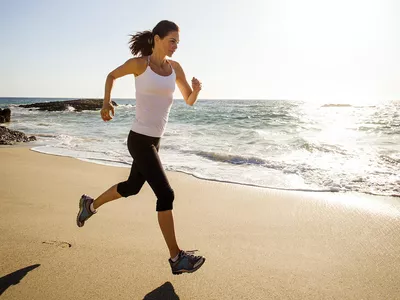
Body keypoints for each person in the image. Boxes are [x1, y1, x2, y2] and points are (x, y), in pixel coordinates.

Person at [76, 20, 205, 275]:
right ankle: (176, 258)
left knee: (132, 187)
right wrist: (106, 103)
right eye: (172, 41)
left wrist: (197, 91)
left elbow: (188, 100)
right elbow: (111, 75)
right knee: (166, 195)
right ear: (157, 39)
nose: (175, 46)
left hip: (155, 142)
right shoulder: (140, 65)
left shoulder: (175, 68)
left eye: (178, 42)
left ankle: (89, 205)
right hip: (139, 140)